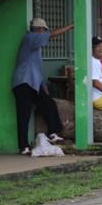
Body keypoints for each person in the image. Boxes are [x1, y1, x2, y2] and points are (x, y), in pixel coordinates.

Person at [12, 18, 73, 155]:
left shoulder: (36, 47)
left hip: (33, 83)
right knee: (24, 114)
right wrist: (69, 27)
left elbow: (36, 68)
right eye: (44, 30)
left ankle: (52, 132)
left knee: (48, 103)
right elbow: (52, 34)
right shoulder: (30, 38)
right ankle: (23, 147)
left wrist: (42, 85)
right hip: (22, 83)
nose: (46, 33)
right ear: (40, 30)